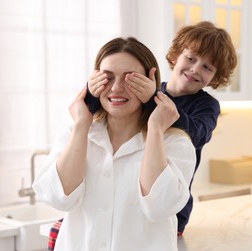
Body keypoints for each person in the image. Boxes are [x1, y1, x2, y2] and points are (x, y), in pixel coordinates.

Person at [33, 37, 196, 251]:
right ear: (94, 82)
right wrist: (82, 124)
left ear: (150, 80)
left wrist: (156, 129)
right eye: (107, 78)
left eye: (130, 78)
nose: (117, 88)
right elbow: (59, 199)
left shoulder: (175, 144)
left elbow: (159, 207)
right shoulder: (76, 136)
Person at [87, 21, 238, 235]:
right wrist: (92, 88)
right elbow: (108, 109)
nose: (195, 69)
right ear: (176, 56)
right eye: (191, 58)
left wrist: (153, 99)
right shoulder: (149, 91)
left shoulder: (207, 106)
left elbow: (195, 134)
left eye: (207, 67)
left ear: (215, 76)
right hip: (129, 204)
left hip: (171, 209)